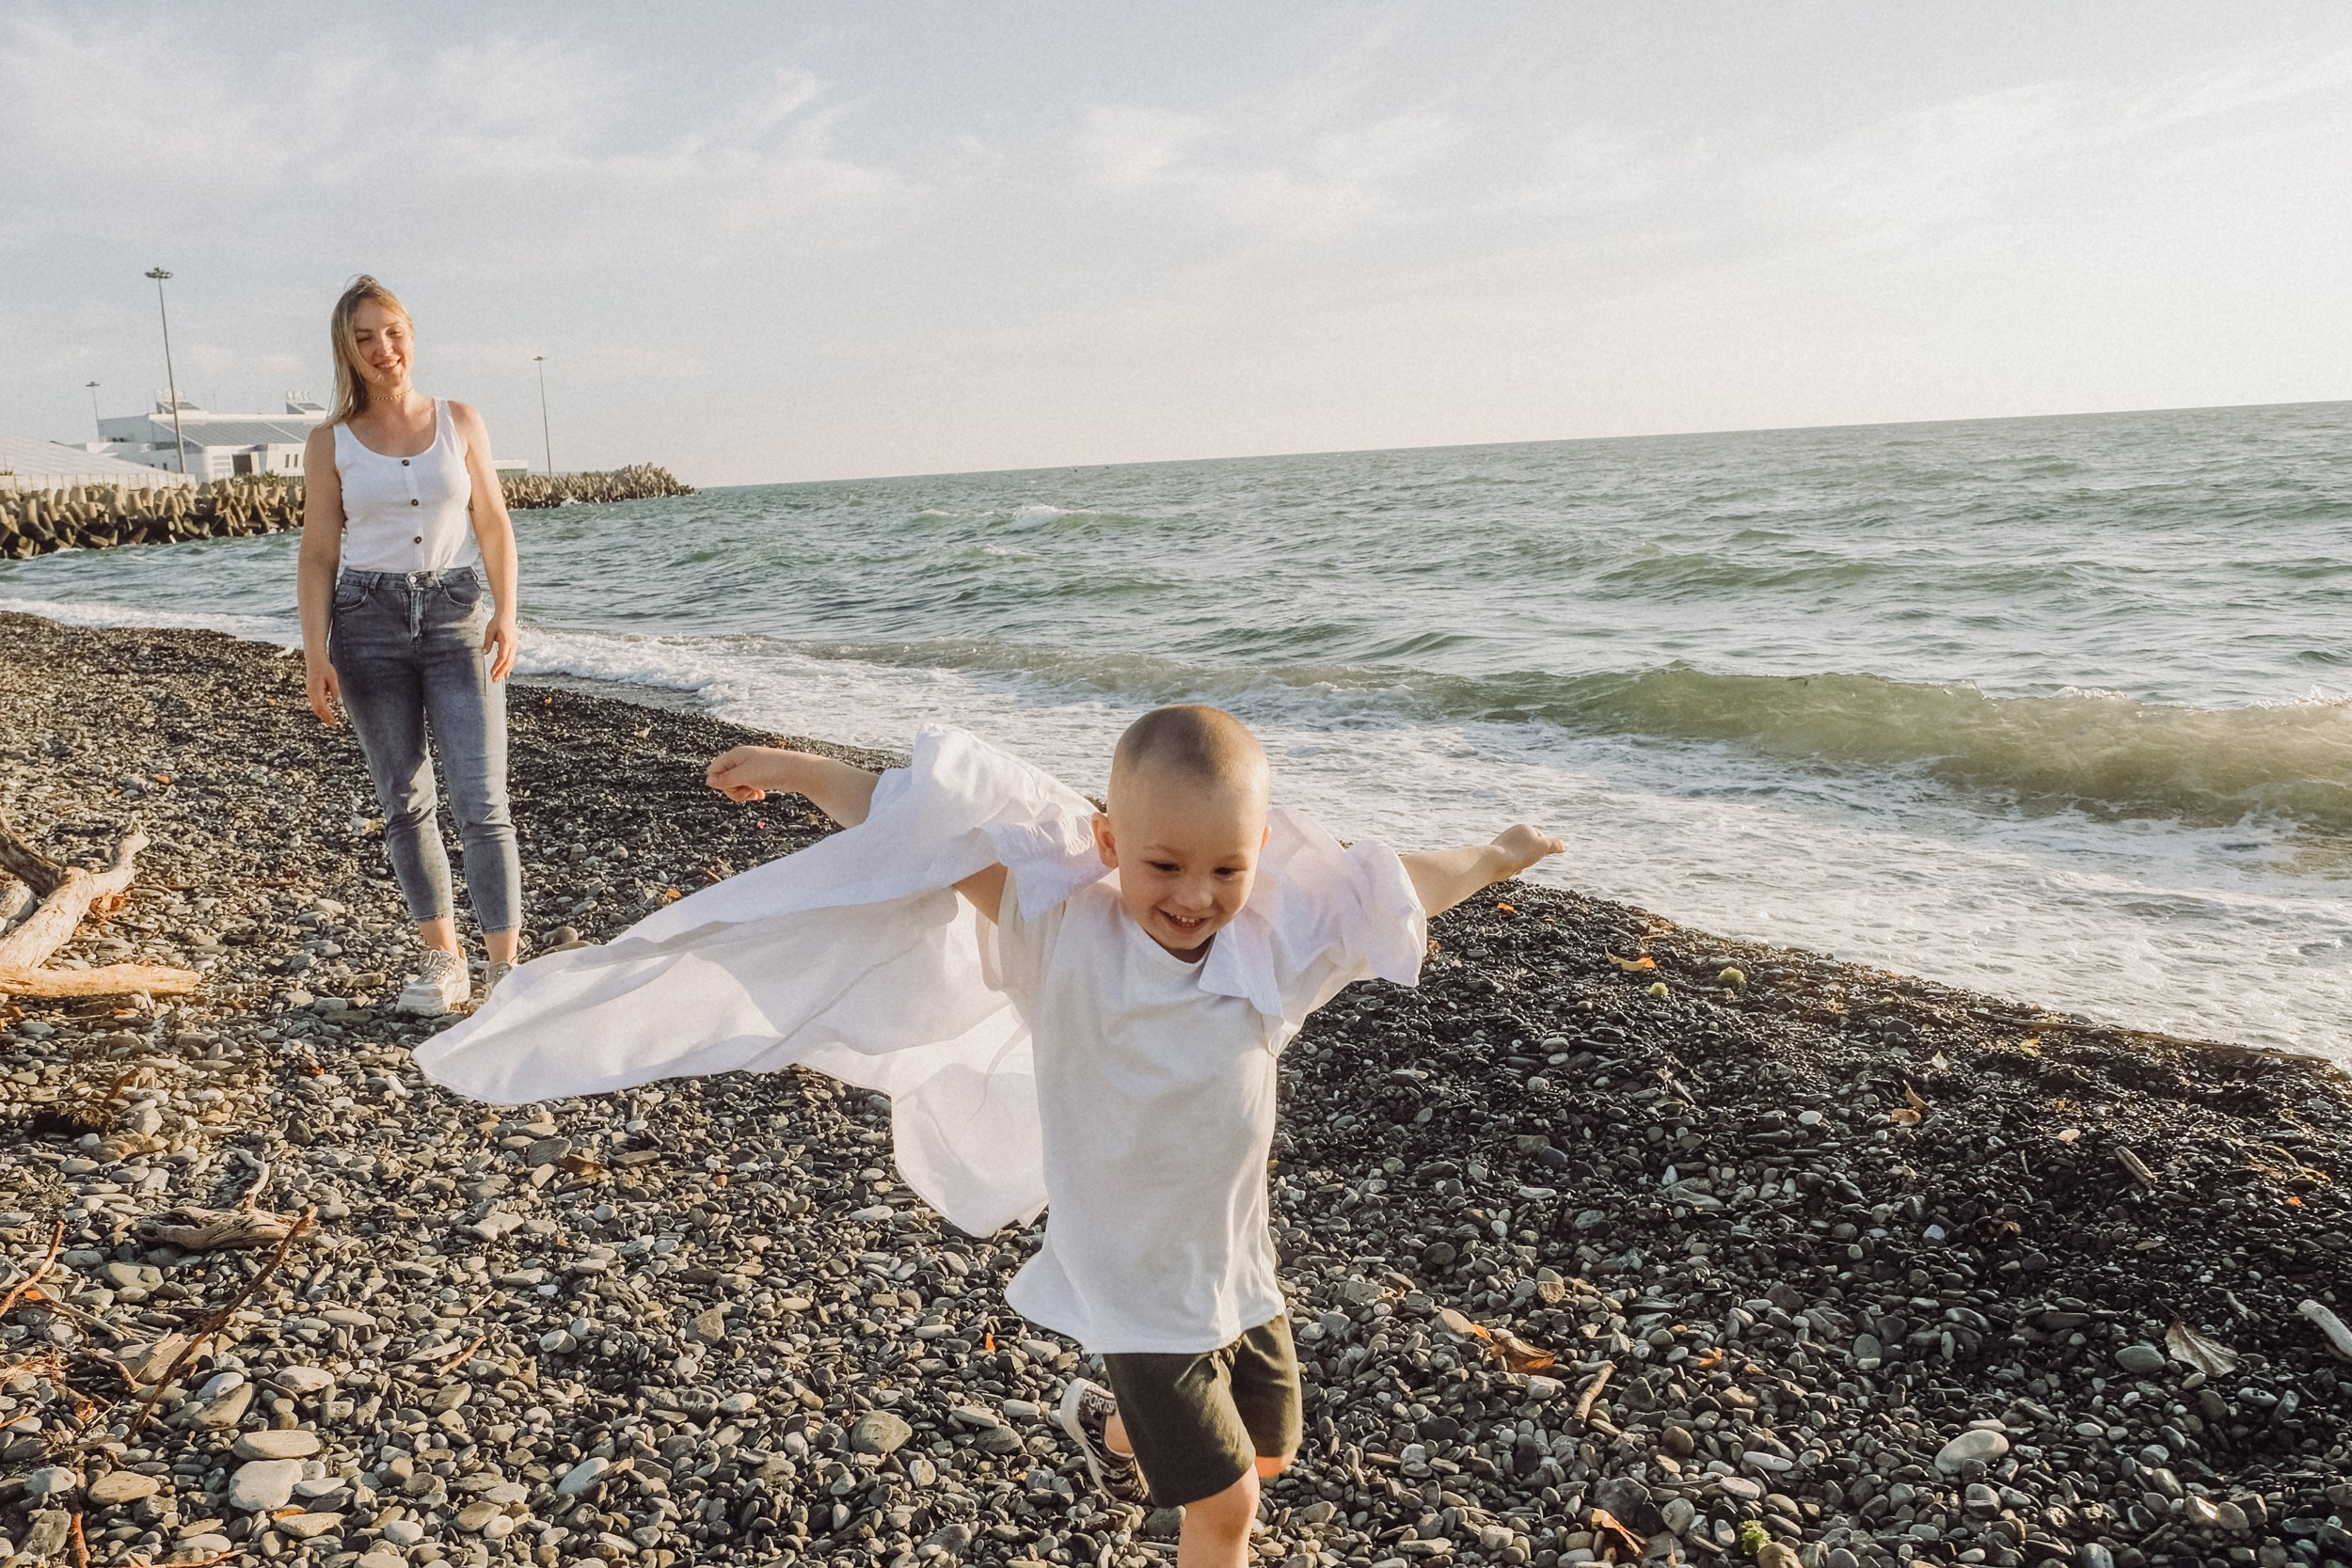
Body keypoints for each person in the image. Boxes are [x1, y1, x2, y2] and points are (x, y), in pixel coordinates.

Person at [417, 705, 1561, 1568]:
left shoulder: (1275, 944)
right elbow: (923, 833)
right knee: (1227, 1507)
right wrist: (808, 770)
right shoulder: (1062, 929)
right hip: (1129, 1283)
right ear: (1111, 841)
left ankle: (1108, 1427)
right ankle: (1145, 1429)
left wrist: (1500, 851)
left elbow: (1396, 887)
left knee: (1270, 1453)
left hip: (1237, 1270)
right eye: (1164, 863)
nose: (1196, 894)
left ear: (1259, 852)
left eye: (1226, 866)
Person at [296, 275, 524, 1017]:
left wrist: (509, 612)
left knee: (482, 800)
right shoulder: (328, 442)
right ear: (347, 352)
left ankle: (504, 972)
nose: (381, 349)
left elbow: (492, 521)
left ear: (410, 334)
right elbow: (318, 554)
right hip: (365, 621)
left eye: (391, 332)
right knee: (404, 800)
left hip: (458, 611)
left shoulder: (460, 419)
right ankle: (444, 959)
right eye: (363, 339)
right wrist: (315, 650)